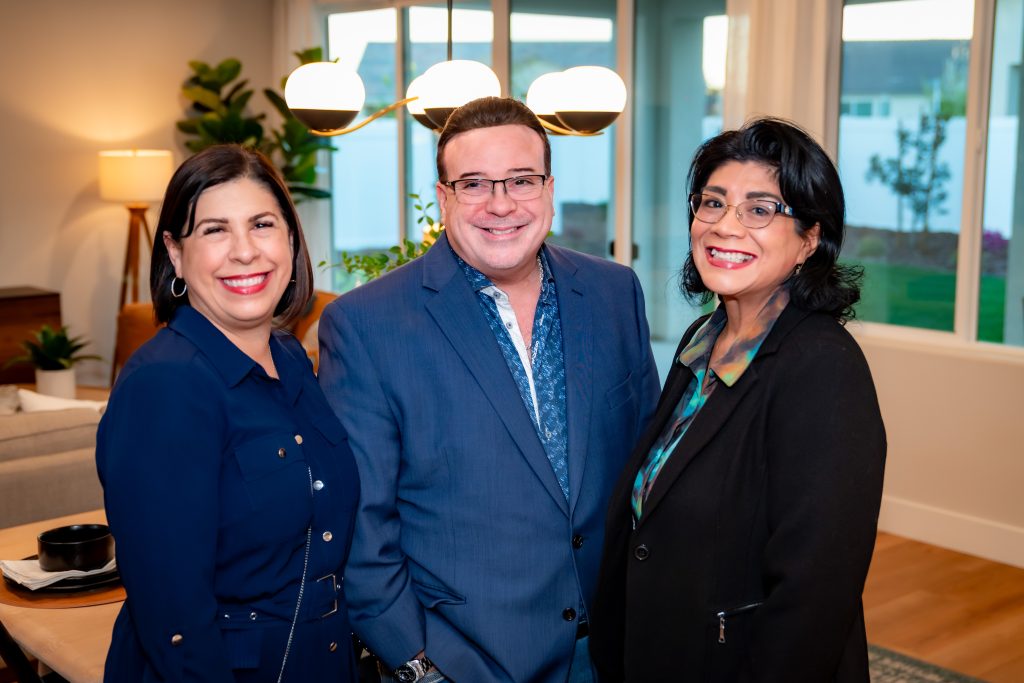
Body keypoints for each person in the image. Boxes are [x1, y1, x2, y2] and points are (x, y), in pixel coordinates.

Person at [317, 96, 660, 683]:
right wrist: (419, 666)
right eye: (474, 183)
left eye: (521, 180)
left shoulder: (613, 292)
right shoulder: (367, 325)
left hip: (616, 646)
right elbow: (363, 529)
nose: (501, 205)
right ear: (444, 195)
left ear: (550, 187)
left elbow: (650, 471)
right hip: (467, 664)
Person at [590, 118, 887, 682]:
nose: (726, 227)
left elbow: (815, 593)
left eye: (760, 210)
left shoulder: (822, 368)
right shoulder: (701, 341)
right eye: (713, 203)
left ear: (810, 238)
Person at [96, 145, 360, 682]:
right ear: (174, 252)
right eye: (215, 230)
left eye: (262, 224)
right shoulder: (165, 384)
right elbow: (173, 612)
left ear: (291, 238)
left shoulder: (291, 357)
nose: (245, 251)